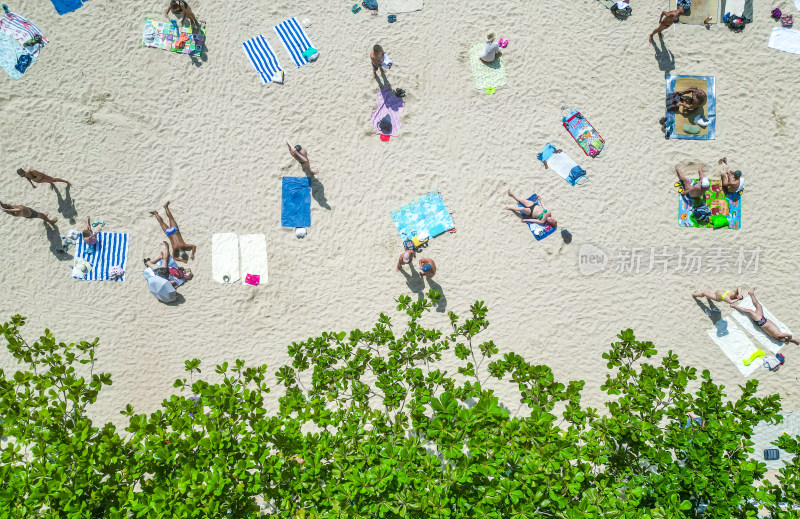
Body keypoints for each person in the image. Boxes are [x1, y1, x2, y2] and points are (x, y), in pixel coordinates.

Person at [731, 288, 800, 344]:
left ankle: (734, 306)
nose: (785, 338)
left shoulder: (780, 335)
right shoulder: (774, 337)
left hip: (761, 321)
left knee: (749, 311)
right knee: (759, 306)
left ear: (783, 337)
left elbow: (790, 336)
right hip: (761, 321)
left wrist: (788, 340)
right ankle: (751, 293)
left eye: (785, 338)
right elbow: (787, 339)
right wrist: (792, 341)